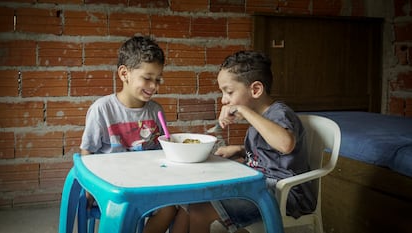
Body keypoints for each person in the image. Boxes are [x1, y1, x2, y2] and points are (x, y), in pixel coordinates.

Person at [177, 51, 316, 233]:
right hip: (259, 186)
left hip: (285, 194)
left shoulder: (279, 113)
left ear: (256, 90)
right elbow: (269, 152)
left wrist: (243, 110)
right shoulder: (260, 119)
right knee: (192, 199)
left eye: (229, 91)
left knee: (199, 211)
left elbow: (285, 144)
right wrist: (240, 150)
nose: (224, 99)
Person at [80, 36, 188, 233]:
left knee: (174, 208)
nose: (154, 86)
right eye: (147, 78)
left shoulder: (155, 111)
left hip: (147, 181)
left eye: (157, 79)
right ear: (124, 74)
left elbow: (161, 151)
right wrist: (89, 188)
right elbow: (87, 152)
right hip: (112, 185)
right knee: (124, 212)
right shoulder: (102, 110)